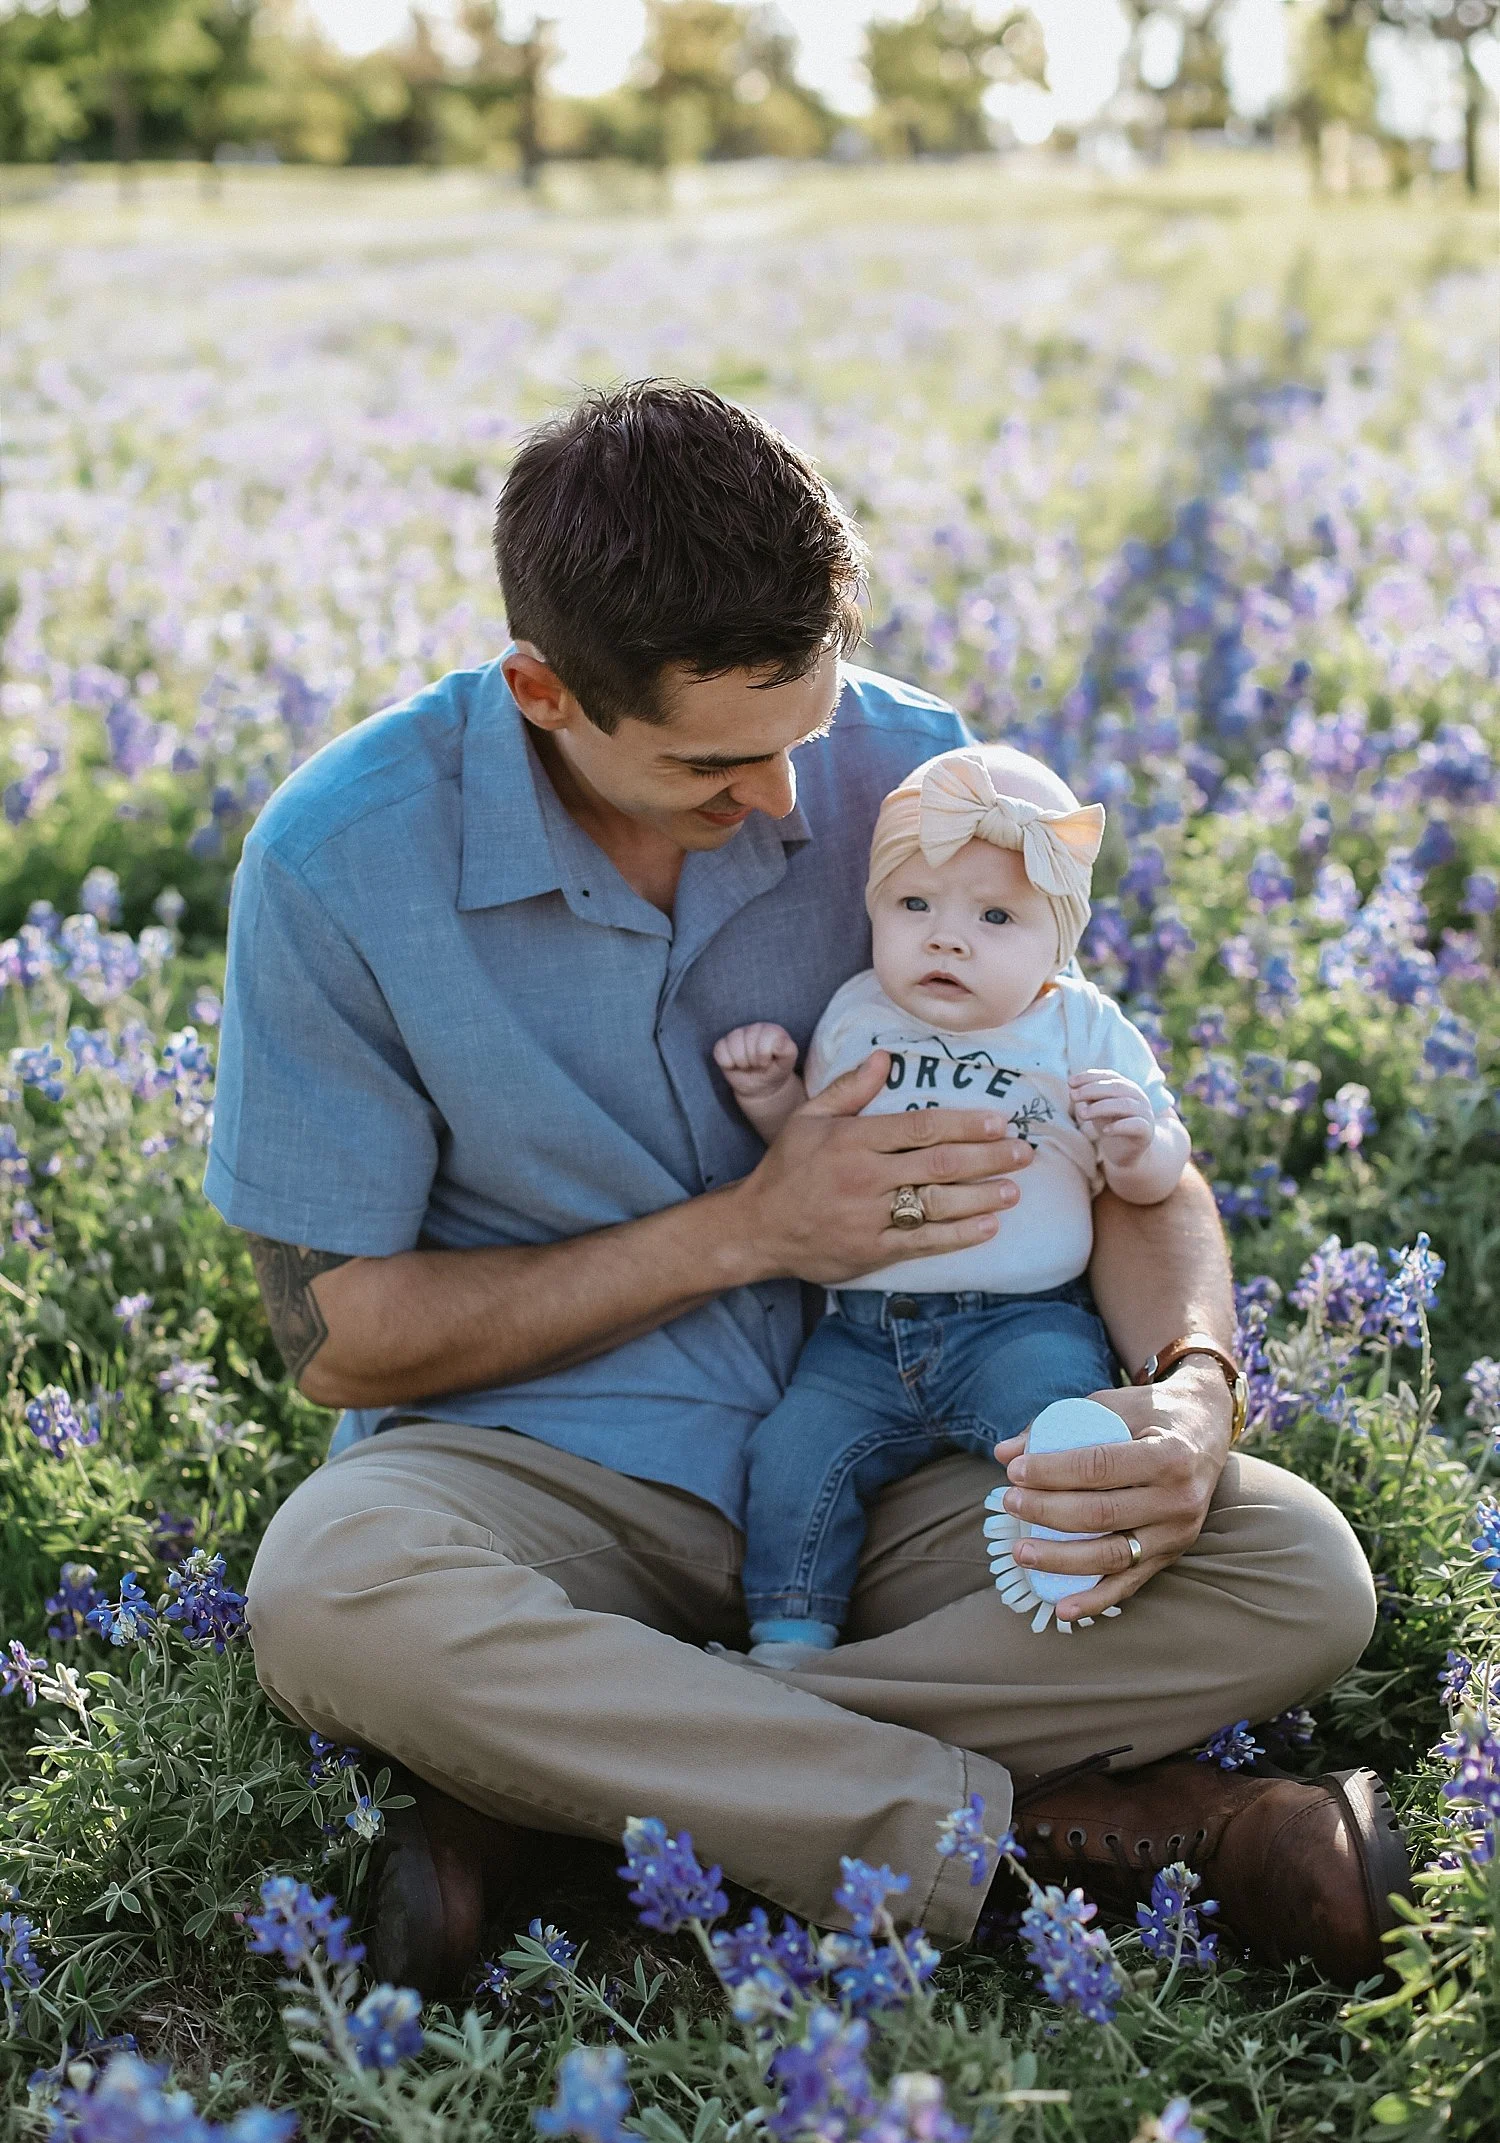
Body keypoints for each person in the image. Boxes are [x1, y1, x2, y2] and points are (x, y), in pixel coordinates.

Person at [210, 379, 1406, 2001]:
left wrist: (1196, 1391)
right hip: (538, 1469)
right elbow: (342, 1341)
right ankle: (1058, 1835)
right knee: (330, 1592)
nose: (780, 805)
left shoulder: (926, 786)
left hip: (913, 1441)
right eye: (713, 767)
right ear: (542, 692)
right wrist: (752, 1228)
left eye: (803, 735)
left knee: (1295, 1574)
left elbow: (1127, 1152)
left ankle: (574, 1795)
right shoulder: (337, 860)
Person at [715, 741, 1191, 1664]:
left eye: (997, 916)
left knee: (1064, 1441)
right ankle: (790, 1634)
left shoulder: (1081, 1025)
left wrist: (1136, 1143)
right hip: (857, 1333)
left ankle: (1064, 1580)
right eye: (915, 905)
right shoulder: (858, 1014)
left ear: (1061, 945)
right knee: (790, 1457)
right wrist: (772, 1097)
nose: (946, 937)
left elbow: (1158, 1176)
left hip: (1020, 1323)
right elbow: (809, 1164)